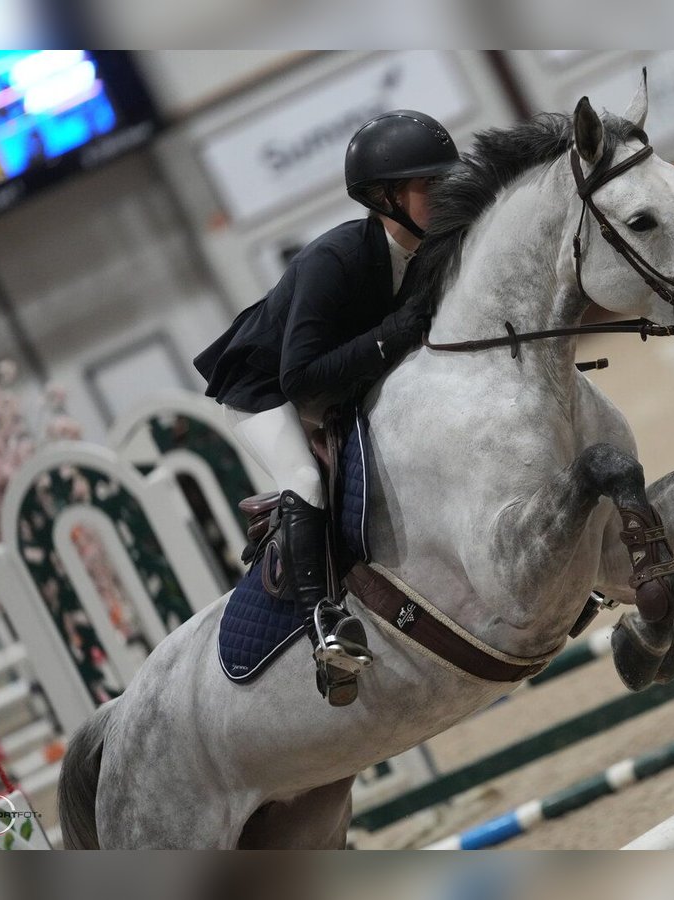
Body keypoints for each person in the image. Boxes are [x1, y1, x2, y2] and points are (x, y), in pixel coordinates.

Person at [193, 110, 458, 697]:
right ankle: (324, 629)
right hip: (265, 387)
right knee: (305, 480)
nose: (444, 196)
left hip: (340, 379)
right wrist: (396, 333)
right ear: (386, 196)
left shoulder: (431, 255)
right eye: (429, 187)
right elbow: (301, 378)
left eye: (446, 182)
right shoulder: (333, 258)